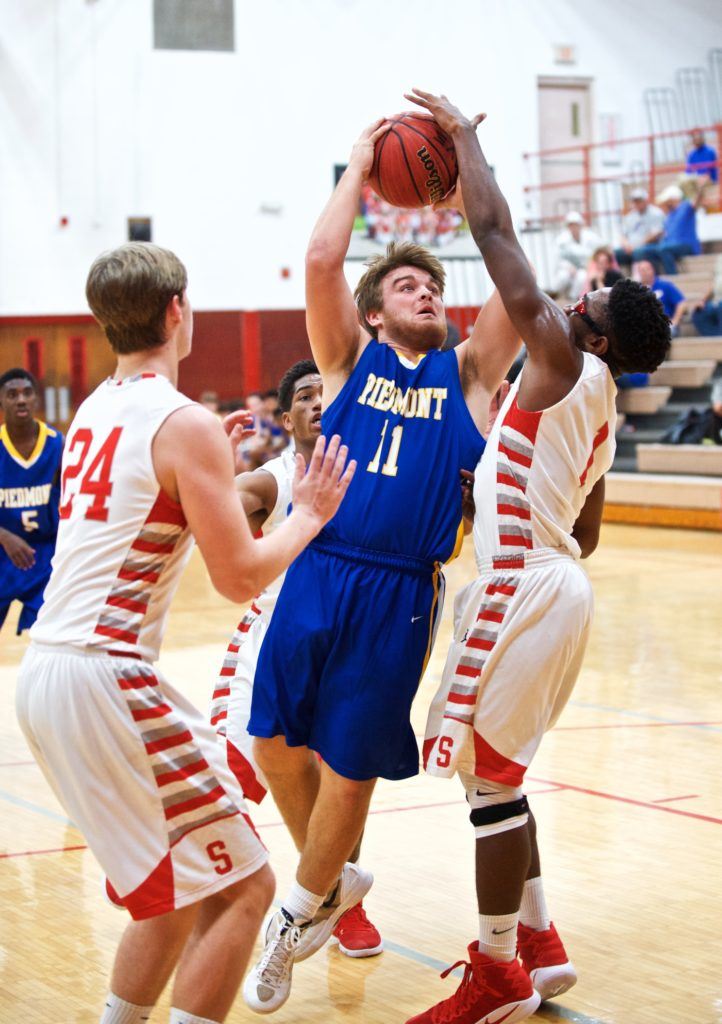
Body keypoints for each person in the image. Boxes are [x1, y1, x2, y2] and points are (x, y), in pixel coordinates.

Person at [15, 242, 355, 1024]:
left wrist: (210, 451)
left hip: (49, 672)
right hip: (107, 672)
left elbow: (145, 495)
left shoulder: (96, 408)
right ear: (177, 310)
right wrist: (309, 514)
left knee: (175, 891)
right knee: (248, 889)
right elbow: (237, 577)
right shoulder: (185, 422)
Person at [242, 116, 522, 1014]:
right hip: (320, 568)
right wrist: (364, 163)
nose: (427, 290)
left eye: (435, 283)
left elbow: (510, 270)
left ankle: (291, 922)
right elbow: (323, 259)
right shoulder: (349, 360)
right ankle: (330, 885)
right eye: (407, 282)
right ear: (374, 311)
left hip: (401, 590)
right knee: (275, 748)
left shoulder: (470, 376)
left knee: (351, 765)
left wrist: (467, 163)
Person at [403, 88, 671, 1024]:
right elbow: (589, 531)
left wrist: (466, 142)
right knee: (496, 775)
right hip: (553, 579)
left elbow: (495, 232)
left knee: (489, 784)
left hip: (525, 584)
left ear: (591, 333)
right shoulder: (598, 410)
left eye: (581, 299)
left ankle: (497, 972)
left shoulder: (558, 360)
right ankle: (541, 942)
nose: (562, 297)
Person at [212, 358, 383, 960]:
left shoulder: (369, 471)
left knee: (342, 777)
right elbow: (231, 499)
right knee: (231, 774)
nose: (317, 402)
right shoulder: (275, 478)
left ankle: (341, 901)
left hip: (347, 638)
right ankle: (316, 892)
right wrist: (218, 472)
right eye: (304, 396)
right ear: (284, 419)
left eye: (324, 393)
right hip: (273, 639)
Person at [0, 368, 64, 635]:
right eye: (12, 394)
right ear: (1, 401)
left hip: (45, 557)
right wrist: (4, 536)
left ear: (36, 399)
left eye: (27, 393)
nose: (21, 400)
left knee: (53, 640)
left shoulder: (58, 444)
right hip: (2, 551)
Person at [634, 184, 704, 274]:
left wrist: (701, 187)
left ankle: (673, 277)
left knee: (664, 249)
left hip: (686, 245)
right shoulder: (669, 215)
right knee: (644, 252)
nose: (666, 203)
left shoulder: (685, 206)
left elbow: (696, 202)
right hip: (669, 245)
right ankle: (654, 278)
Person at [551, 211, 602, 300]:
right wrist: (569, 267)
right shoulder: (561, 240)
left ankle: (573, 300)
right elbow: (558, 259)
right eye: (571, 225)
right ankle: (555, 298)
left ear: (580, 225)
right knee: (563, 276)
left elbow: (597, 251)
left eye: (575, 224)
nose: (573, 227)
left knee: (582, 277)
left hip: (585, 268)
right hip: (568, 269)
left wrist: (589, 266)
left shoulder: (590, 237)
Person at [614, 187, 665, 269]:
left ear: (645, 200)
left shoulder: (656, 213)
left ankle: (645, 276)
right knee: (615, 254)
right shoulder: (630, 216)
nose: (636, 203)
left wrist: (637, 245)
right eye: (634, 201)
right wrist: (626, 245)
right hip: (631, 247)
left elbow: (656, 233)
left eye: (639, 200)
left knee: (639, 252)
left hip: (649, 245)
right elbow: (622, 234)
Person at [636, 257, 685, 335]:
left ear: (653, 270)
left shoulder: (665, 285)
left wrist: (675, 321)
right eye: (642, 270)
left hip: (665, 325)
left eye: (647, 269)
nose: (645, 272)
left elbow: (681, 303)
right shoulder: (637, 290)